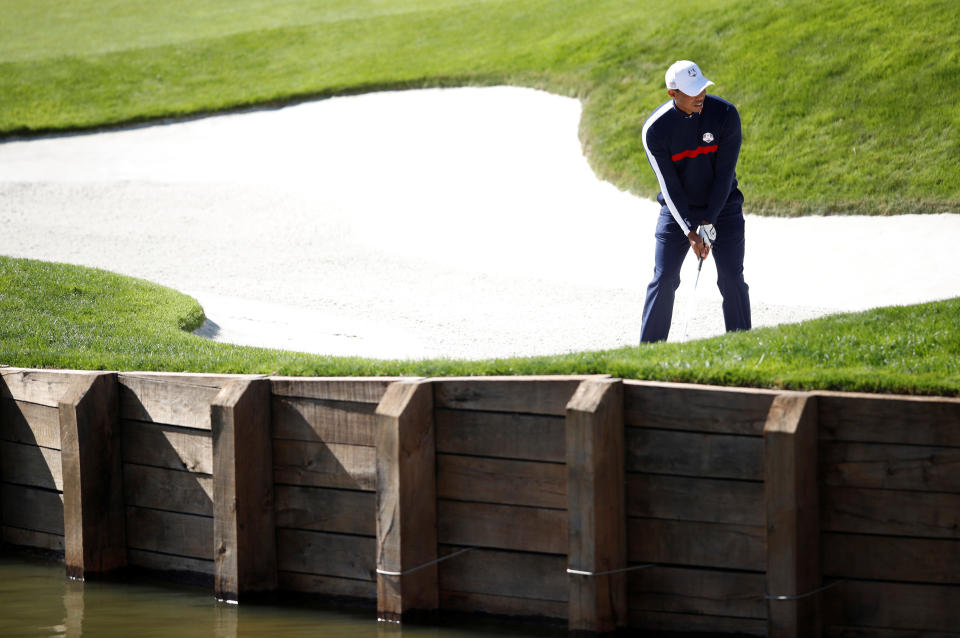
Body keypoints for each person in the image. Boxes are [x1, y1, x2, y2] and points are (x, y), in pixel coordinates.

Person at [639, 60, 751, 343]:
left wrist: (709, 221)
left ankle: (742, 344)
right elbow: (670, 186)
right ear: (672, 93)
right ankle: (649, 353)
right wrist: (691, 230)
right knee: (664, 279)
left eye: (702, 87)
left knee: (731, 277)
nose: (700, 94)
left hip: (722, 207)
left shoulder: (725, 114)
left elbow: (724, 176)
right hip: (679, 212)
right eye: (692, 91)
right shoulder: (655, 130)